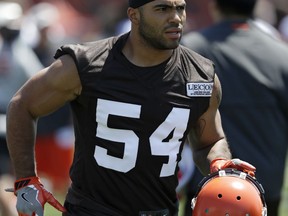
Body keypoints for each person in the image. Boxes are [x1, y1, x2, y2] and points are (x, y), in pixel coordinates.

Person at [6, 0, 256, 215]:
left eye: (181, 8)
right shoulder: (87, 64)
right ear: (134, 15)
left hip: (161, 210)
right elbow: (22, 105)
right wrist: (26, 180)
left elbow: (209, 141)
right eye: (162, 9)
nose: (176, 18)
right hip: (92, 211)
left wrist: (219, 162)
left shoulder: (200, 76)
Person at [182, 0, 288, 215]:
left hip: (208, 190)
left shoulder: (191, 49)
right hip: (265, 190)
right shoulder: (281, 54)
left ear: (215, 6)